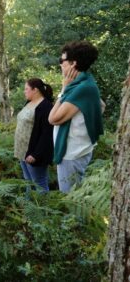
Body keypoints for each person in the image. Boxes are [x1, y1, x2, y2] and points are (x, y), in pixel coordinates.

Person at [48, 41, 104, 193]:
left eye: (62, 61)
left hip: (72, 154)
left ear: (73, 64)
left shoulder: (82, 88)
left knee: (72, 202)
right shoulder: (84, 84)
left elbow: (52, 118)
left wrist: (63, 89)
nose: (60, 64)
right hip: (74, 151)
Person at [14, 78, 54, 193]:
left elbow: (47, 134)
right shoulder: (29, 102)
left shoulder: (46, 106)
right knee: (28, 182)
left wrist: (35, 154)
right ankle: (29, 209)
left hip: (34, 153)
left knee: (39, 184)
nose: (24, 91)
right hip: (22, 151)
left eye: (26, 89)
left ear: (35, 90)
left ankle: (42, 210)